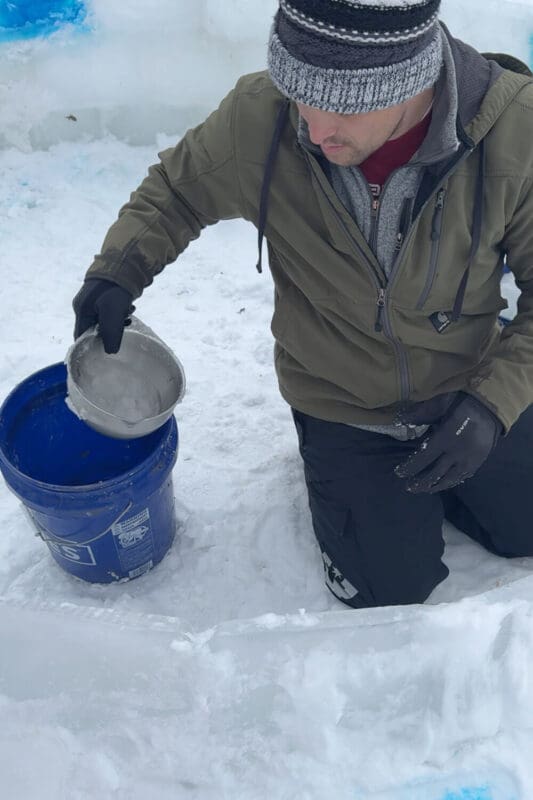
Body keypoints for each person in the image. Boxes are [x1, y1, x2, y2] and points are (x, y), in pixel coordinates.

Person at [73, 0, 533, 609]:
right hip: (342, 402)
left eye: (342, 106)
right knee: (388, 596)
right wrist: (117, 273)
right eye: (299, 96)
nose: (314, 130)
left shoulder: (515, 132)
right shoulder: (261, 118)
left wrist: (493, 405)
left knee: (523, 533)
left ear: (411, 82)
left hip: (469, 381)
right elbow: (176, 192)